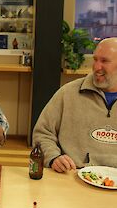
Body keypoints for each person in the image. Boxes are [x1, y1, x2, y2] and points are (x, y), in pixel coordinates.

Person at [33, 37, 117, 173]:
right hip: (71, 177)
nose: (96, 67)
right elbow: (42, 133)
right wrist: (54, 157)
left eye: (104, 61)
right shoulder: (68, 93)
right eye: (95, 59)